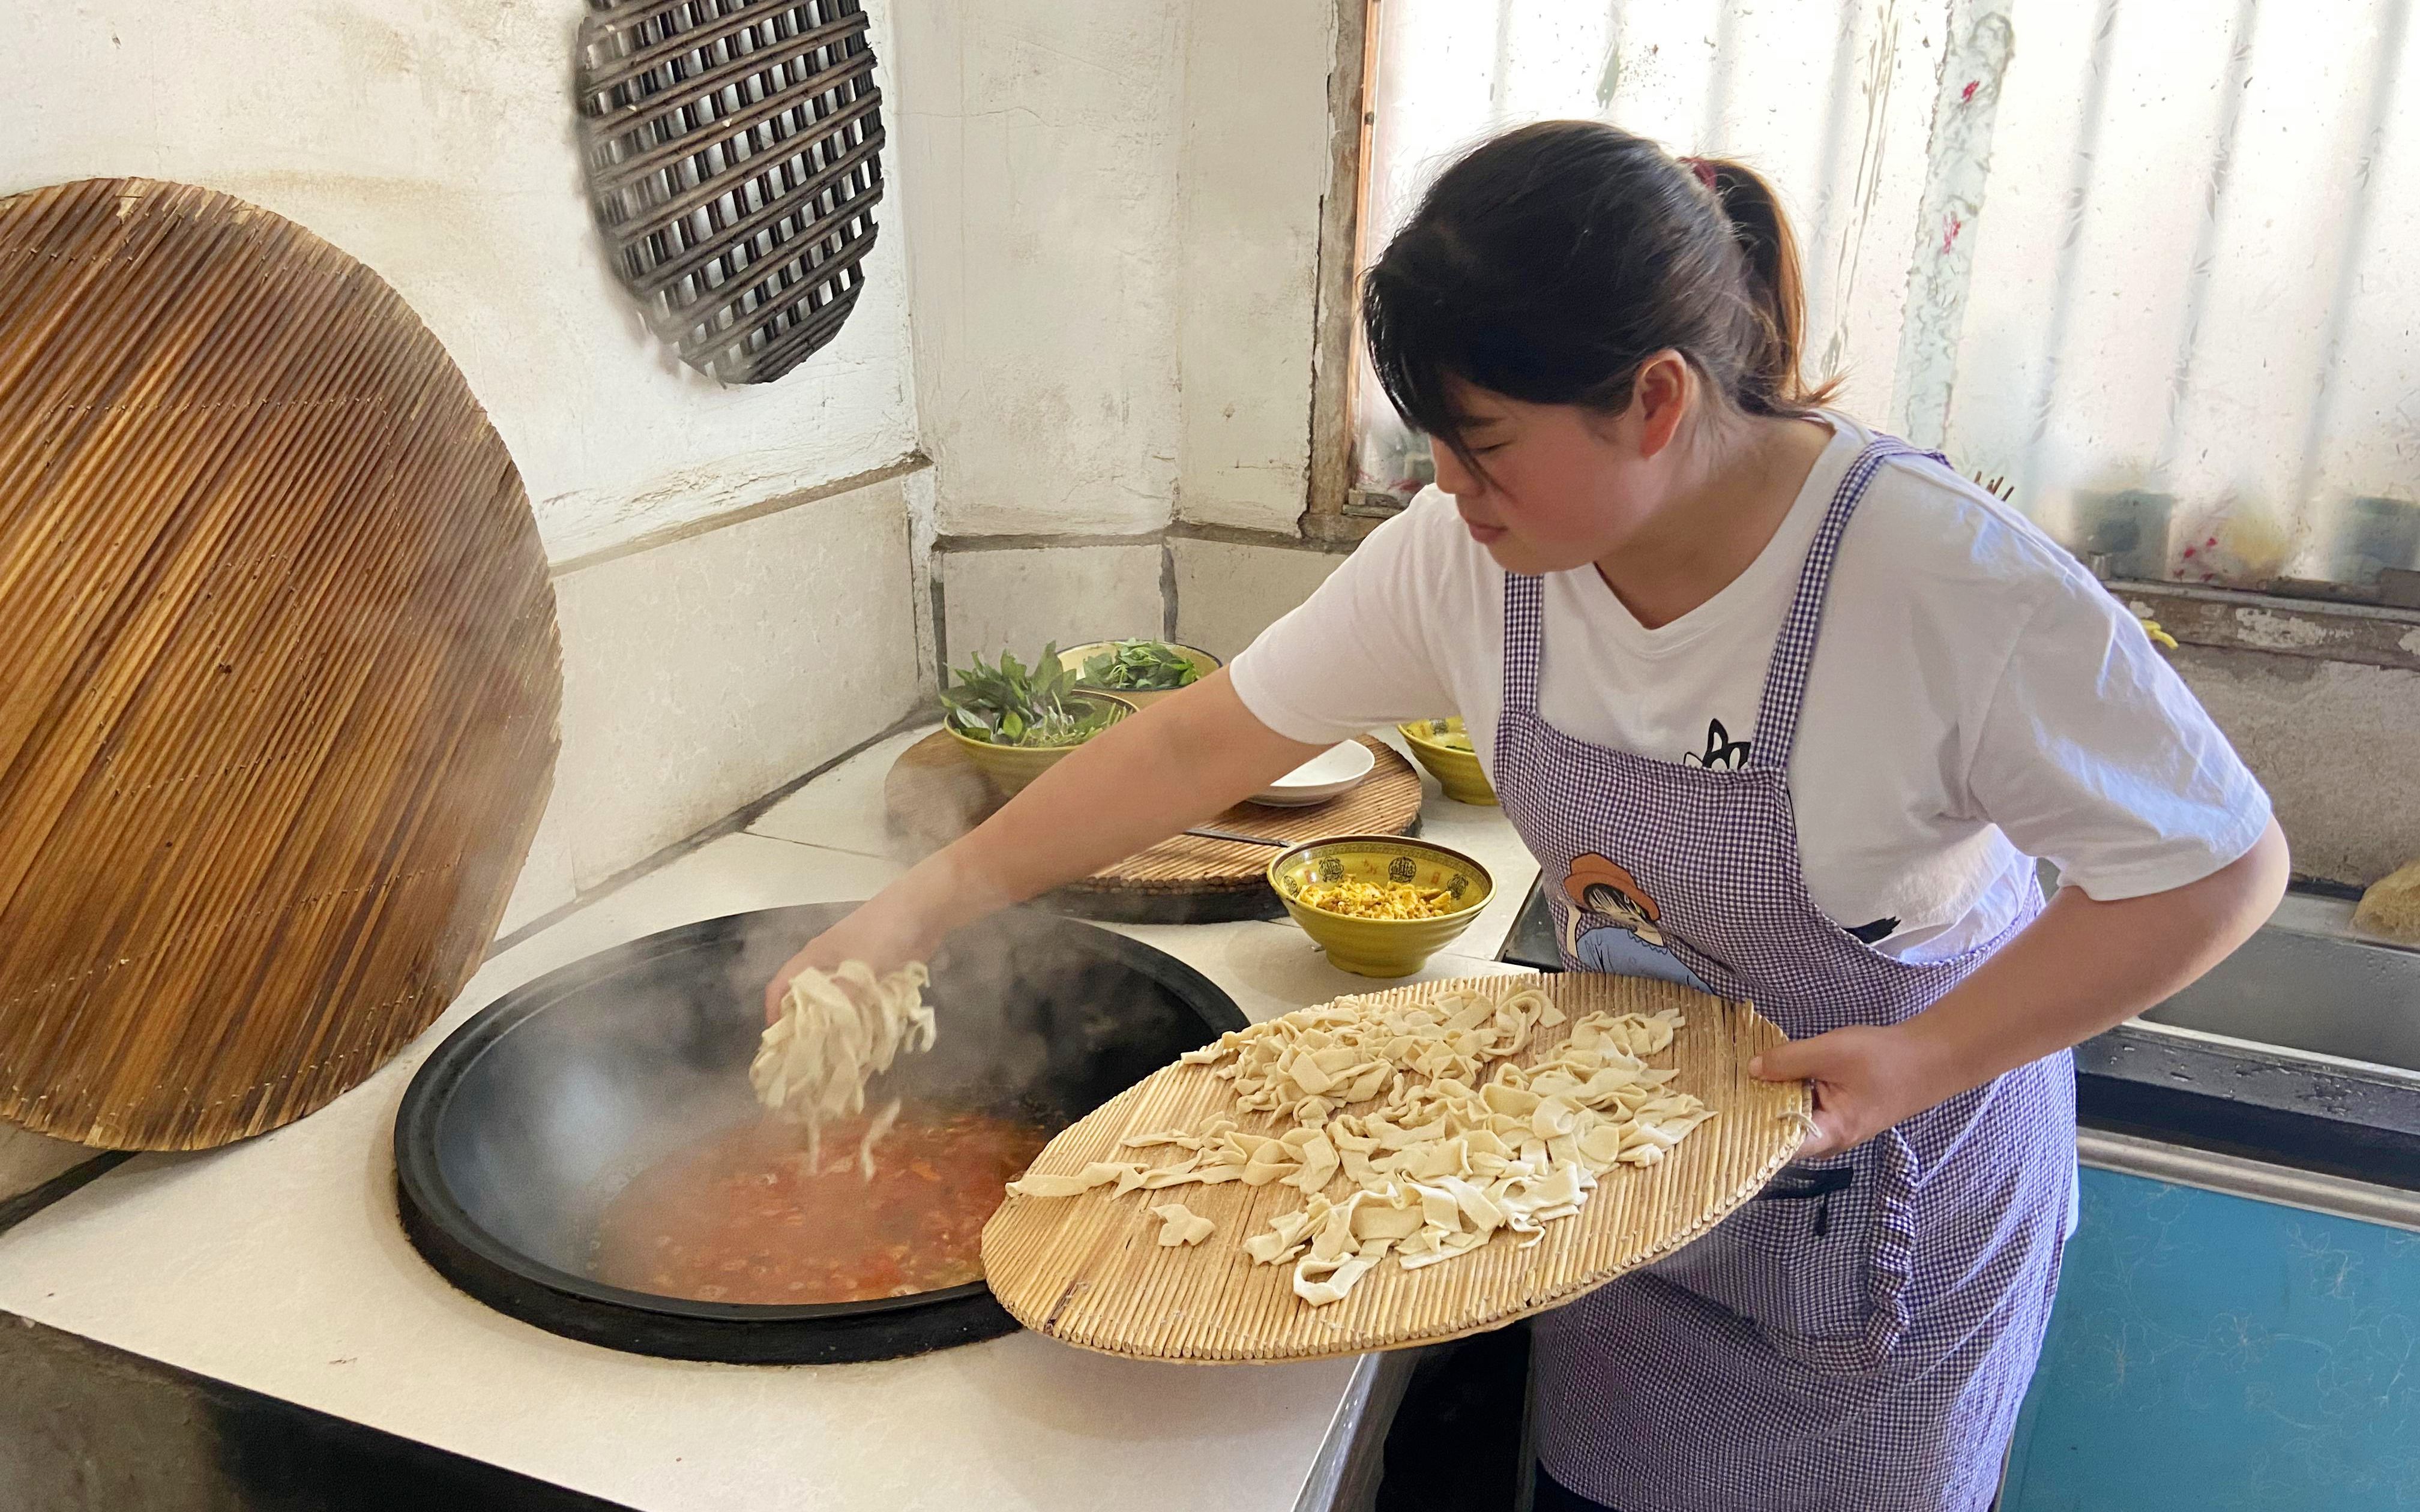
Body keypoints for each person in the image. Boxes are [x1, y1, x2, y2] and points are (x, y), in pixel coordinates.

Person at [771, 121, 2286, 1511]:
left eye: (1483, 442)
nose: (1447, 485)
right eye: (1430, 437)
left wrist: (1923, 1059)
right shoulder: (1469, 554)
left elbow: (2218, 870)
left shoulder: (1941, 583)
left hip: (1881, 1229)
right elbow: (1194, 744)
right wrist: (913, 909)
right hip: (1618, 1183)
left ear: (1658, 400)